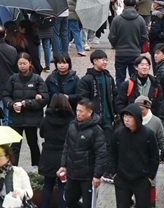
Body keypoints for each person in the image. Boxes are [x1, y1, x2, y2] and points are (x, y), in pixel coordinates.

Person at [76, 50, 117, 183]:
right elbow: (82, 99)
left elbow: (115, 96)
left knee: (108, 145)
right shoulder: (87, 79)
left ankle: (107, 171)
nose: (105, 62)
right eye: (102, 59)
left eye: (106, 59)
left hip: (108, 118)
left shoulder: (108, 77)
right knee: (94, 146)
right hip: (93, 121)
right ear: (94, 61)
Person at [57, 98, 107, 208]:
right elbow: (67, 146)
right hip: (72, 174)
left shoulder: (96, 131)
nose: (78, 114)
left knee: (87, 204)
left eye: (81, 111)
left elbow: (101, 154)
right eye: (77, 110)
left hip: (87, 177)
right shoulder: (72, 125)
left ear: (90, 112)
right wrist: (63, 165)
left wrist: (97, 175)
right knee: (69, 201)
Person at [108, 103, 159, 208]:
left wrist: (150, 177)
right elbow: (112, 154)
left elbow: (154, 156)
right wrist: (114, 173)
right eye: (125, 116)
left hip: (142, 180)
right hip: (122, 179)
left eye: (130, 117)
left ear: (137, 117)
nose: (126, 119)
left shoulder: (148, 134)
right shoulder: (118, 134)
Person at [2, 52, 49, 166]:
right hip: (16, 118)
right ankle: (12, 168)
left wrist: (28, 103)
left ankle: (36, 167)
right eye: (20, 64)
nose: (22, 66)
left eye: (24, 63)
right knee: (15, 146)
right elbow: (5, 95)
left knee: (33, 144)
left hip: (32, 119)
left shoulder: (37, 79)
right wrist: (11, 104)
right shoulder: (13, 79)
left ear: (30, 63)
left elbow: (44, 98)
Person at [38, 93, 74, 208]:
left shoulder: (46, 119)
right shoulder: (71, 120)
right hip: (64, 156)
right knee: (63, 186)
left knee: (48, 184)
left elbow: (42, 134)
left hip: (48, 155)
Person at [109, 0, 148, 84]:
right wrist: (138, 45)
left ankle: (120, 96)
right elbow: (144, 37)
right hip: (135, 53)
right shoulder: (140, 20)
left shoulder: (117, 20)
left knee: (119, 78)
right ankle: (133, 96)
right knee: (135, 78)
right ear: (135, 6)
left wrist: (116, 46)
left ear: (124, 5)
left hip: (120, 53)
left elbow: (112, 37)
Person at [135, 96, 164, 164]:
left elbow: (161, 139)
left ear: (147, 108)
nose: (139, 111)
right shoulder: (132, 120)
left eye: (142, 109)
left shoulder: (156, 121)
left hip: (151, 156)